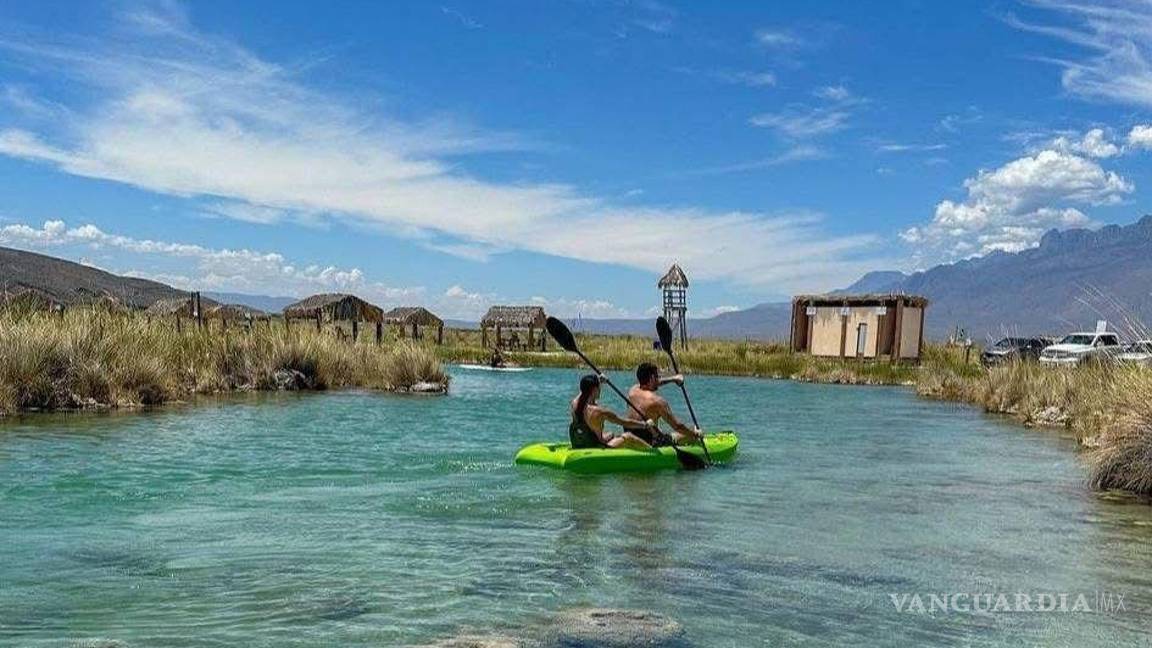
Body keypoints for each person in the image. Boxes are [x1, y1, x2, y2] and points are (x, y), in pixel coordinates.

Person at [624, 362, 702, 446]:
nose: (658, 379)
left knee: (659, 431)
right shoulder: (657, 401)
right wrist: (695, 434)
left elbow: (652, 383)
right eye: (657, 376)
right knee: (690, 431)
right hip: (649, 443)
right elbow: (677, 426)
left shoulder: (632, 390)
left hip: (631, 437)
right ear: (652, 378)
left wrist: (673, 379)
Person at [570, 374, 654, 450]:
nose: (600, 390)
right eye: (599, 387)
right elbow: (624, 422)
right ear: (595, 389)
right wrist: (645, 425)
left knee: (611, 434)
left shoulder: (575, 404)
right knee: (628, 436)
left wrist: (598, 380)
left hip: (582, 443)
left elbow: (584, 390)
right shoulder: (599, 412)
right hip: (596, 448)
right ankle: (653, 451)